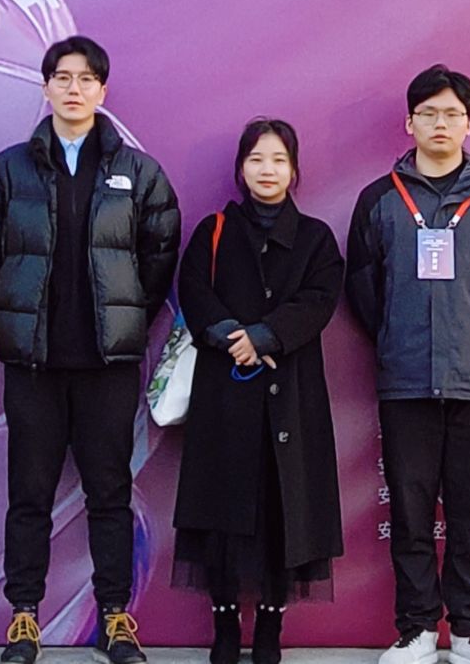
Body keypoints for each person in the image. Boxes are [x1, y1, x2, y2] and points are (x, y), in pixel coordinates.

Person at [0, 35, 182, 664]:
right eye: (62, 77)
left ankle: (115, 617)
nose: (74, 88)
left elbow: (160, 253)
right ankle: (24, 618)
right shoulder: (7, 170)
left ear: (102, 90)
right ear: (46, 87)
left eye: (86, 79)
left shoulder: (137, 173)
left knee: (109, 494)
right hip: (34, 365)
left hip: (106, 366)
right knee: (29, 496)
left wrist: (125, 317)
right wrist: (22, 315)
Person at [344, 65, 470, 664]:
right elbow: (363, 286)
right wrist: (398, 337)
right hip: (407, 382)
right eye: (428, 113)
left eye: (452, 113)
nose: (440, 123)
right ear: (409, 122)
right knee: (411, 511)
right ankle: (417, 629)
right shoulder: (379, 200)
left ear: (469, 123)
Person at [171, 119, 344, 664]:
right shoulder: (214, 230)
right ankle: (224, 626)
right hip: (224, 394)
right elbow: (193, 291)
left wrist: (267, 336)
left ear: (294, 169)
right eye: (256, 159)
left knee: (281, 510)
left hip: (289, 395)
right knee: (221, 511)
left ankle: (270, 626)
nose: (267, 170)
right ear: (240, 169)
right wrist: (233, 337)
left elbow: (320, 299)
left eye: (278, 160)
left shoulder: (316, 238)